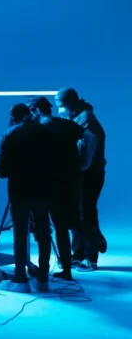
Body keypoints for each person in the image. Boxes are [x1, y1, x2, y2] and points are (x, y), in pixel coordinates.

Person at [29, 96, 96, 280]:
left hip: (45, 183)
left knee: (44, 228)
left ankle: (43, 271)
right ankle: (66, 270)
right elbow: (92, 138)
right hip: (69, 183)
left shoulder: (36, 129)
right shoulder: (66, 124)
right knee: (62, 227)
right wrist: (85, 163)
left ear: (35, 111)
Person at [0, 103, 53, 293]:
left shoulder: (10, 134)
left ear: (13, 116)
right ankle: (43, 279)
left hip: (19, 190)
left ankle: (20, 279)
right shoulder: (46, 132)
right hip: (43, 190)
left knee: (20, 234)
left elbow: (2, 170)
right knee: (44, 233)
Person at [55, 88, 107, 271]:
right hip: (80, 175)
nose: (58, 109)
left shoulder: (86, 118)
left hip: (91, 175)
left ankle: (90, 257)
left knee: (87, 213)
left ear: (69, 105)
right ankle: (77, 254)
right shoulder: (76, 117)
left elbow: (92, 141)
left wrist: (85, 165)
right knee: (76, 213)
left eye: (60, 105)